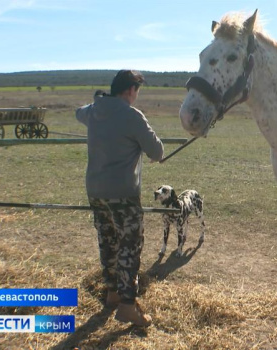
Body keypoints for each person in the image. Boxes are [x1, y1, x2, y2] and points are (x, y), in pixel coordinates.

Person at [76, 70, 164, 326]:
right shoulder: (132, 116)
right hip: (123, 194)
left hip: (95, 191)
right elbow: (157, 151)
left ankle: (113, 292)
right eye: (137, 91)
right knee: (129, 247)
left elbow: (78, 112)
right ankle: (127, 306)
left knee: (108, 240)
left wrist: (96, 101)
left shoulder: (93, 111)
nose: (136, 97)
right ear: (130, 90)